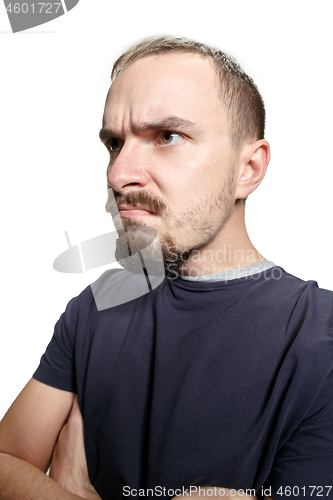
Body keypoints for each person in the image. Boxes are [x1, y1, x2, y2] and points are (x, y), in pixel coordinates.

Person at [0, 36, 332, 500]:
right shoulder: (99, 305)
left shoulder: (320, 333)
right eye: (115, 142)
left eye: (166, 136)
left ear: (249, 168)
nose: (118, 175)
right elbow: (7, 461)